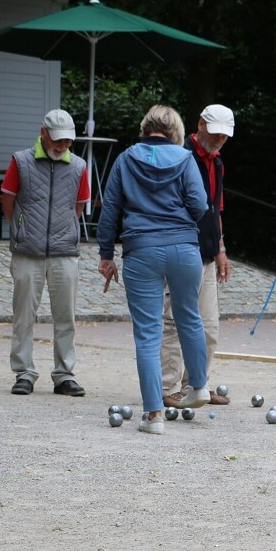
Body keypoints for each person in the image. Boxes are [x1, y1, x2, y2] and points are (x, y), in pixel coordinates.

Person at [97, 105, 212, 434]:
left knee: (148, 334)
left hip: (141, 250)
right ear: (174, 129)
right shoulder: (185, 158)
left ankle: (154, 416)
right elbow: (200, 205)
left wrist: (106, 254)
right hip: (184, 250)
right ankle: (200, 386)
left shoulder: (125, 159)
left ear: (146, 128)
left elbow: (111, 211)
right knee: (189, 316)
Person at [0, 108, 91, 397]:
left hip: (65, 251)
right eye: (57, 139)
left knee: (66, 317)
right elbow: (8, 201)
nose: (62, 145)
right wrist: (22, 229)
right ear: (43, 133)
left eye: (67, 141)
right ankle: (24, 372)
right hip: (28, 250)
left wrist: (63, 229)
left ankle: (64, 375)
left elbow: (79, 206)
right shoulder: (21, 161)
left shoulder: (78, 166)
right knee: (23, 316)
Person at [161, 104, 234, 407]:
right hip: (180, 249)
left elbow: (215, 209)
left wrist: (221, 249)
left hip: (205, 252)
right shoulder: (179, 154)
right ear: (200, 124)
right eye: (215, 133)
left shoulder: (217, 163)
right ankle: (167, 387)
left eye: (224, 136)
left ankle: (197, 384)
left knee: (208, 325)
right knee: (174, 322)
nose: (219, 140)